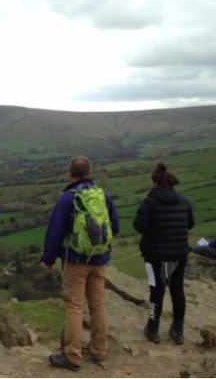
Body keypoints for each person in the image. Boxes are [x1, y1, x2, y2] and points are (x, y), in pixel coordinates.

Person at [42, 156, 119, 372]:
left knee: (74, 307)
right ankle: (99, 351)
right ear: (90, 173)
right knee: (98, 304)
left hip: (75, 261)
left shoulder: (67, 198)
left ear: (70, 174)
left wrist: (48, 259)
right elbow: (115, 226)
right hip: (100, 259)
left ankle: (72, 356)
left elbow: (55, 232)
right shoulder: (103, 196)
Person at [133, 162, 194, 346]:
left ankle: (153, 328)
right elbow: (190, 224)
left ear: (155, 182)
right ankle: (178, 329)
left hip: (154, 256)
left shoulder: (150, 202)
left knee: (155, 291)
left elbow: (139, 225)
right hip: (179, 255)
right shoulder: (184, 201)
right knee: (177, 291)